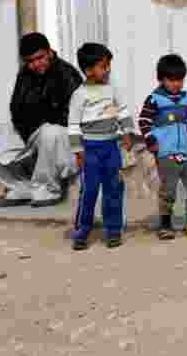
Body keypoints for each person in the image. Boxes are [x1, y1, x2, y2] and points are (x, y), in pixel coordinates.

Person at [0, 33, 83, 208]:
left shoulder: (66, 74)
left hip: (65, 141)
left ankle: (48, 189)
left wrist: (42, 119)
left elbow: (73, 117)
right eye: (30, 61)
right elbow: (16, 110)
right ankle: (22, 187)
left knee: (50, 131)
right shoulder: (25, 75)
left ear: (49, 52)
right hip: (34, 133)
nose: (36, 64)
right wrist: (31, 128)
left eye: (40, 58)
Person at [138, 54, 187, 240]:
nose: (176, 84)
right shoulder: (155, 100)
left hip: (185, 152)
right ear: (161, 79)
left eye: (180, 79)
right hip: (165, 153)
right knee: (169, 190)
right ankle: (165, 224)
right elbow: (144, 121)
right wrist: (151, 141)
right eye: (171, 80)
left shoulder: (184, 99)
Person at [67, 43, 134, 250]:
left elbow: (121, 111)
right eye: (103, 66)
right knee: (90, 191)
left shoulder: (111, 90)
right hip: (91, 150)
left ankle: (113, 231)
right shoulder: (80, 95)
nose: (107, 70)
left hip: (111, 148)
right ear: (88, 70)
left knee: (114, 188)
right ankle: (82, 232)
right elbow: (73, 125)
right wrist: (78, 151)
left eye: (108, 66)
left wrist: (127, 132)